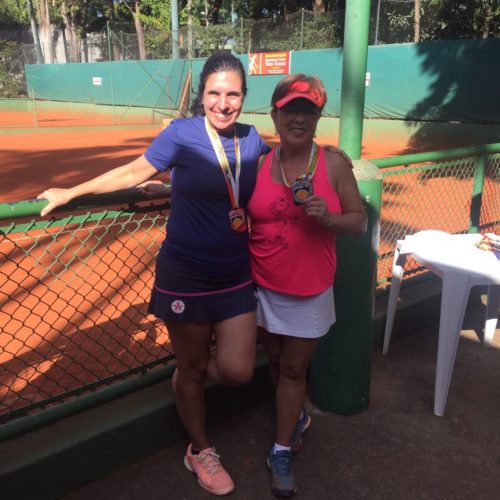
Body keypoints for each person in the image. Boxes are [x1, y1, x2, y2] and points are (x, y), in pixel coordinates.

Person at [37, 52, 270, 497]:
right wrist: (72, 191)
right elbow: (132, 171)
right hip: (186, 273)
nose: (223, 103)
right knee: (193, 366)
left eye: (233, 94)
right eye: (215, 93)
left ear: (244, 96)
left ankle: (186, 379)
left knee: (238, 370)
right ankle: (199, 448)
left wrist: (324, 161)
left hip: (235, 273)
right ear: (202, 94)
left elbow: (256, 180)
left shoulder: (252, 138)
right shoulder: (181, 133)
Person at [247, 74, 367, 498]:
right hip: (261, 284)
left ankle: (280, 451)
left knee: (295, 369)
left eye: (308, 111)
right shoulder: (259, 163)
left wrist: (329, 219)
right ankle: (295, 416)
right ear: (274, 115)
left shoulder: (333, 164)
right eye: (290, 110)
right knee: (276, 359)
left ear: (317, 118)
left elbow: (359, 221)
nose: (298, 118)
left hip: (309, 287)